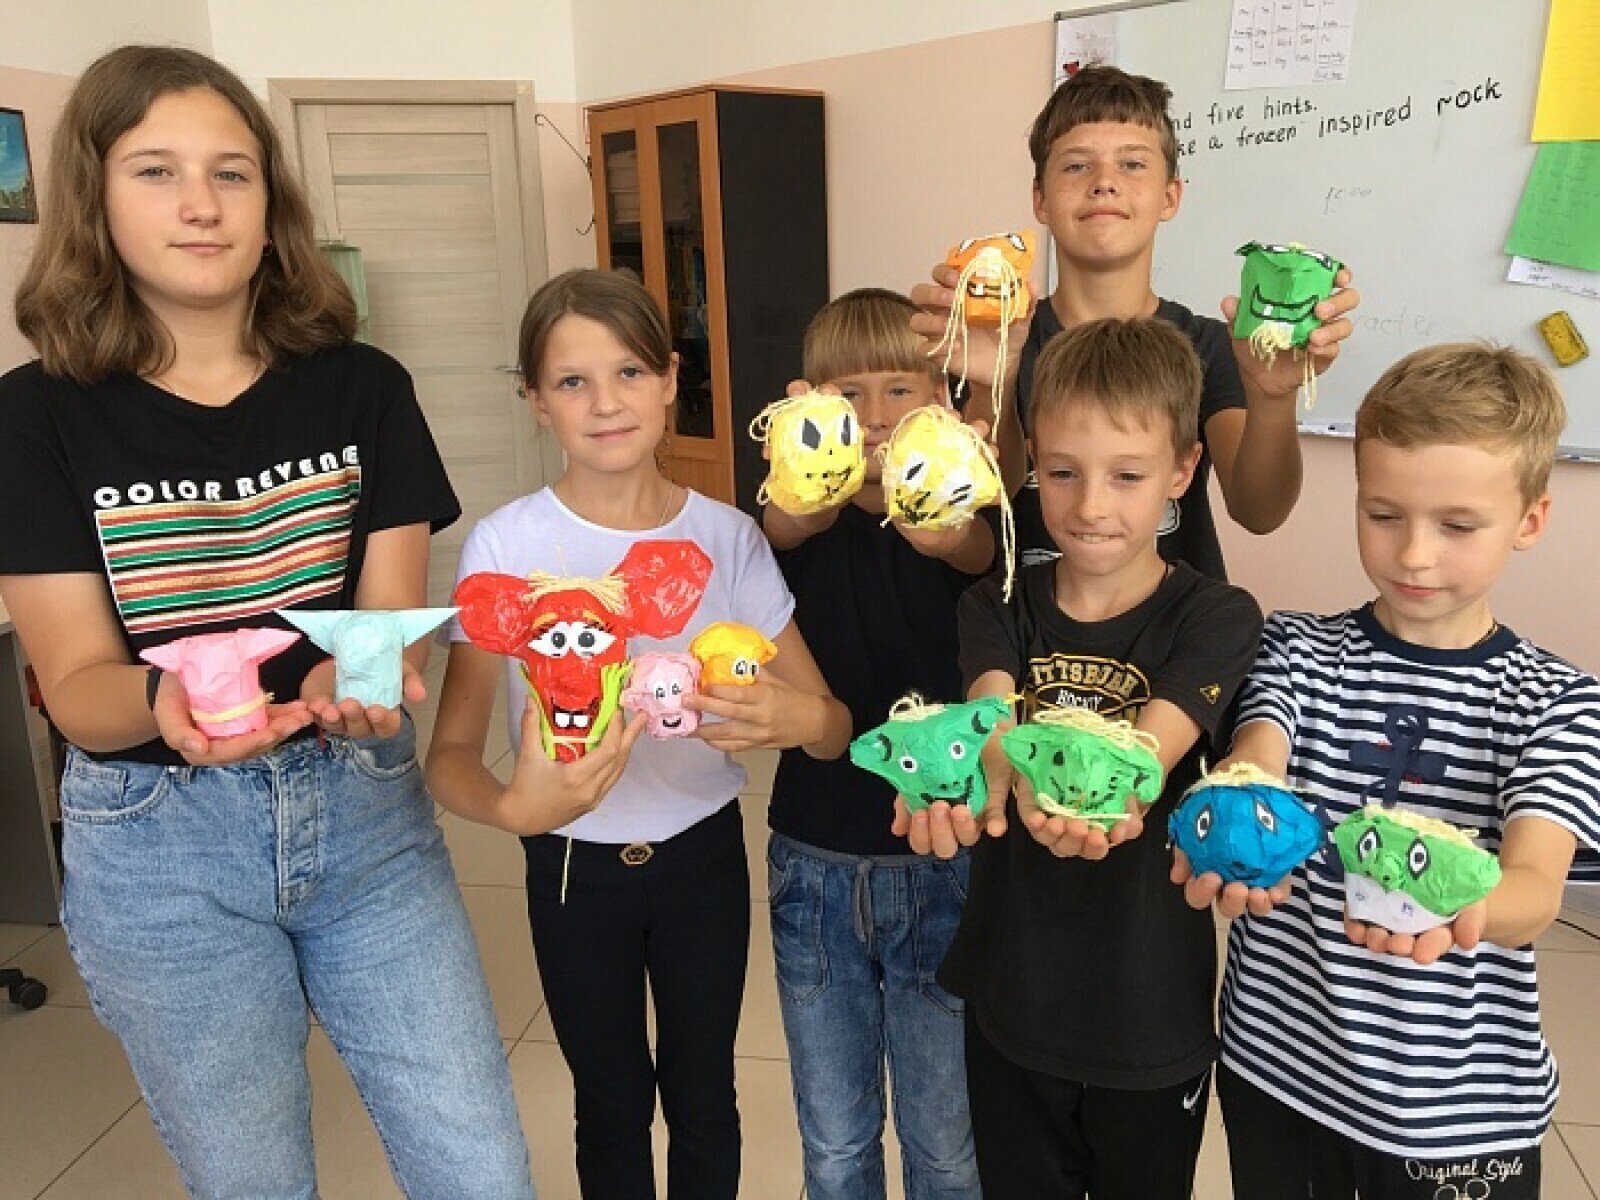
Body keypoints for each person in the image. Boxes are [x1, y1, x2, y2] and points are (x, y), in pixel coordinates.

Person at [0, 45, 532, 1199]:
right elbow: (77, 681)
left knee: (481, 1168)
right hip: (158, 843)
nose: (200, 203)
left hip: (364, 818)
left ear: (270, 201)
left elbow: (387, 618)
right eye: (156, 170)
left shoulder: (365, 388)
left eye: (230, 172)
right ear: (94, 197)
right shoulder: (33, 417)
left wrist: (368, 679)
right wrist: (169, 704)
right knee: (252, 1182)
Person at [426, 267, 851, 1200]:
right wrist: (514, 808)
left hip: (702, 861)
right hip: (570, 869)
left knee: (705, 1097)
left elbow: (831, 727)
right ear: (536, 401)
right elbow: (448, 760)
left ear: (669, 380)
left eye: (628, 372)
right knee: (610, 1103)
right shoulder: (505, 547)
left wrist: (794, 718)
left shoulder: (727, 539)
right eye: (572, 381)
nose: (606, 402)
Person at [1174, 343, 1600, 1200]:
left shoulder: (1557, 702)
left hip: (1454, 1113)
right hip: (1278, 1071)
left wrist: (1463, 910)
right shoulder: (1296, 647)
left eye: (1457, 526)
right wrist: (1240, 798)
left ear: (1529, 521)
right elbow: (1260, 748)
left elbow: (1534, 890)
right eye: (1384, 514)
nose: (1413, 555)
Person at [919, 316, 1263, 1197]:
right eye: (1064, 472)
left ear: (1182, 470)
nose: (1091, 506)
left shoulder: (1217, 616)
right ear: (1032, 459)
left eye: (1127, 475)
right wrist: (996, 771)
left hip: (1148, 1006)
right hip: (1012, 995)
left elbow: (1149, 749)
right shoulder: (993, 604)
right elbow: (994, 715)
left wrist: (1102, 795)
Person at [912, 64, 1359, 578]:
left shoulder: (1208, 345)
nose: (1104, 183)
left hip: (1173, 625)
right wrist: (995, 383)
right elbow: (993, 499)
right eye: (1077, 166)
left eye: (1131, 164)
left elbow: (1258, 512)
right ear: (1040, 199)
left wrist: (1273, 397)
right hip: (1023, 624)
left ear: (1170, 196)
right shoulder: (994, 339)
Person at [761, 288, 991, 1199]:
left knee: (946, 1142)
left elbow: (970, 549)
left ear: (940, 400)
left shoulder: (954, 517)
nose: (877, 415)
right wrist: (812, 473)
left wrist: (933, 503)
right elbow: (786, 524)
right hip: (813, 854)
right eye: (848, 395)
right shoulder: (797, 514)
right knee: (835, 1142)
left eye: (901, 390)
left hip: (943, 854)